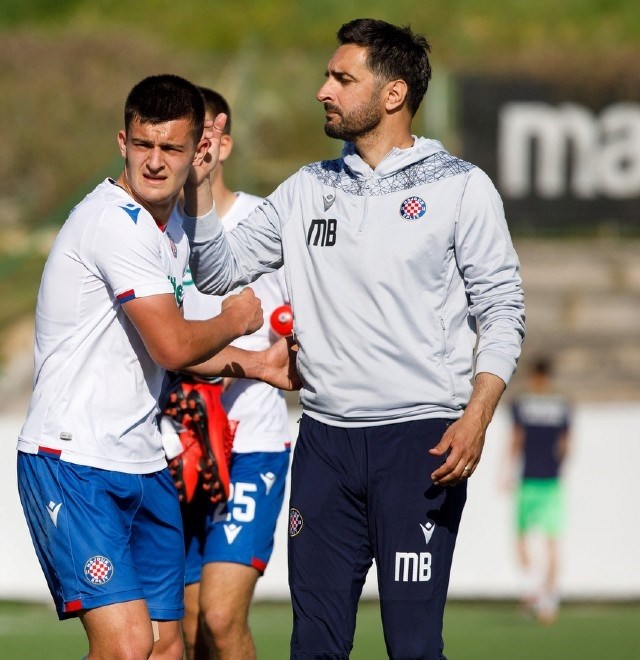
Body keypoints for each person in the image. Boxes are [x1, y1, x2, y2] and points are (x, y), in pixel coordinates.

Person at [184, 18, 525, 659]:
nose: (323, 90)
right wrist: (200, 190)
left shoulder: (460, 186)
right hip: (324, 446)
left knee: (413, 646)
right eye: (327, 76)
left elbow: (503, 308)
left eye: (342, 78)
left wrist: (477, 414)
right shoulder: (304, 190)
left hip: (419, 444)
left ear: (392, 94)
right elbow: (218, 271)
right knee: (312, 645)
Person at [16, 74, 297, 660]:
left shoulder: (171, 228)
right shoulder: (113, 223)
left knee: (169, 645)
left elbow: (162, 348)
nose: (153, 161)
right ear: (123, 141)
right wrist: (239, 319)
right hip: (75, 459)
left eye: (170, 148)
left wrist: (256, 365)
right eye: (143, 145)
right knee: (125, 646)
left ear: (197, 152)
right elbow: (172, 347)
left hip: (143, 461)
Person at [175, 89, 293, 660]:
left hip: (251, 440)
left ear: (222, 142)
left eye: (204, 137)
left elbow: (300, 324)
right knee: (187, 620)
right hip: (173, 444)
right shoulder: (157, 229)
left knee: (221, 618)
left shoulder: (264, 221)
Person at [506, 357, 570, 626]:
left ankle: (532, 589)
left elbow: (517, 439)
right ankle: (548, 600)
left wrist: (507, 472)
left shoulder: (522, 404)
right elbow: (566, 444)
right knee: (551, 541)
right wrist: (557, 467)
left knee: (522, 537)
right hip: (552, 481)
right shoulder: (561, 406)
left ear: (534, 376)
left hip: (529, 479)